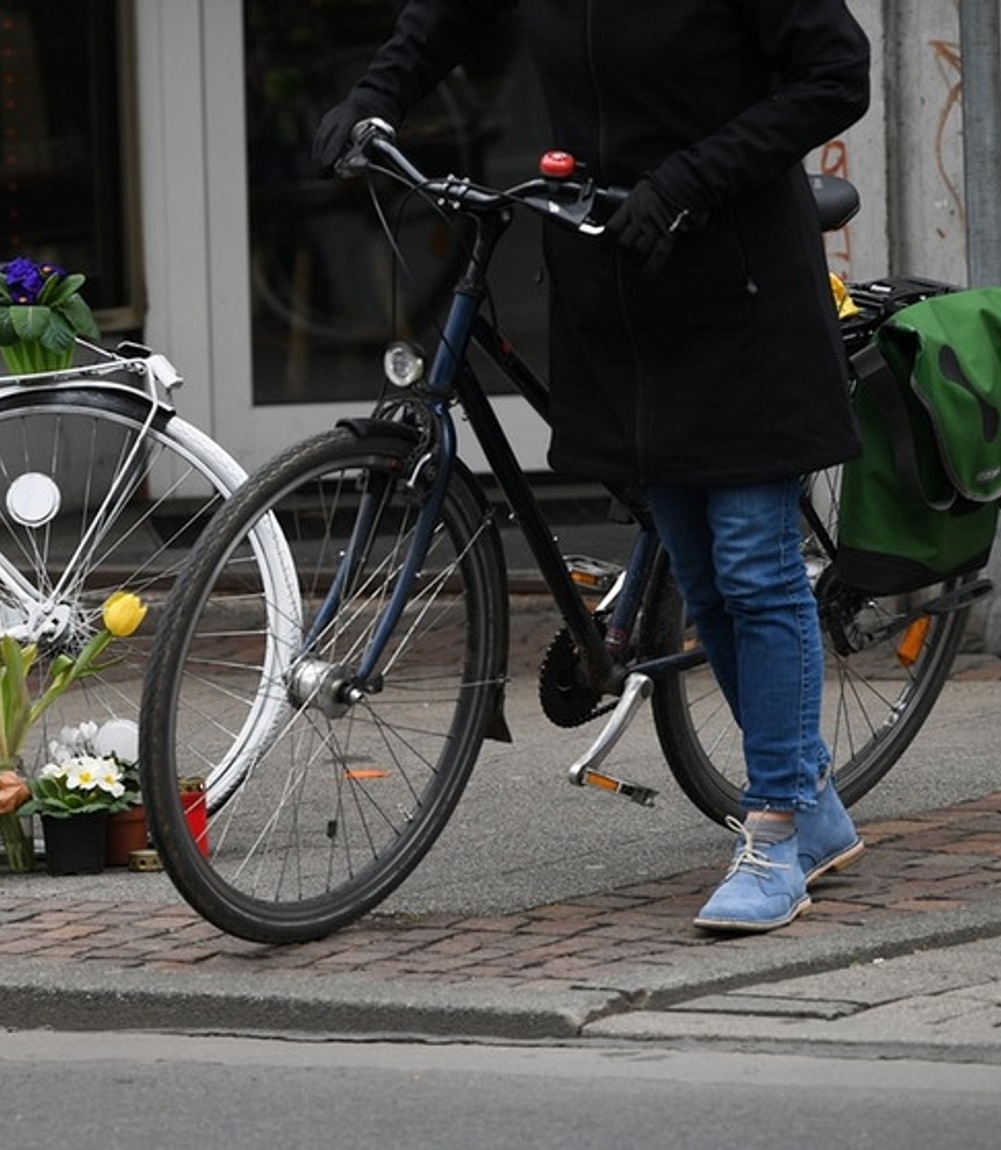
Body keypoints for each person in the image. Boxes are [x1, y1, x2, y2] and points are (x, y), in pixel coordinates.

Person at [314, 1, 872, 933]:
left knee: (752, 565)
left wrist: (691, 180)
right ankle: (809, 806)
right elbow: (441, 20)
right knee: (698, 570)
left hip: (737, 288)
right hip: (621, 292)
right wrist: (374, 99)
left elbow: (834, 76)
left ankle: (774, 832)